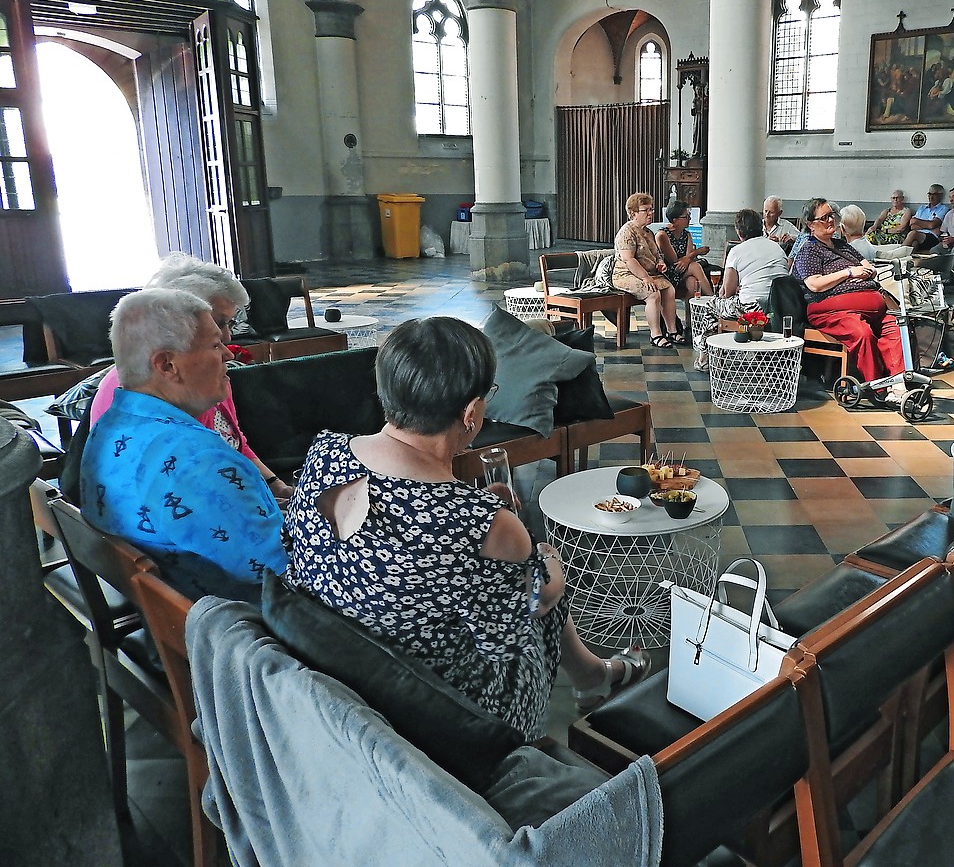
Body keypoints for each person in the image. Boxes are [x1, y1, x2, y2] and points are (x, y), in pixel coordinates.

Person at [282, 317, 649, 739]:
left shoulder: (325, 452)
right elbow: (542, 597)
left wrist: (486, 523)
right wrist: (545, 555)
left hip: (346, 667)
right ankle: (594, 678)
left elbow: (405, 533)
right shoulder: (476, 521)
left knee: (510, 573)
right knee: (538, 575)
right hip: (448, 710)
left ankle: (592, 678)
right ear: (471, 412)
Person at [80, 288, 289, 601]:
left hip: (170, 599)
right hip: (237, 619)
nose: (229, 354)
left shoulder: (113, 422)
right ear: (167, 365)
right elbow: (278, 567)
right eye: (215, 344)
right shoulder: (196, 460)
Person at [89, 252, 292, 502]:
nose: (227, 339)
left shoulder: (200, 378)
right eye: (217, 323)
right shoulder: (150, 394)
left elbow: (234, 440)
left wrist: (275, 485)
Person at [791, 198, 905, 395]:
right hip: (829, 309)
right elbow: (814, 284)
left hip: (868, 305)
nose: (830, 221)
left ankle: (899, 384)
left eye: (832, 216)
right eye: (823, 218)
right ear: (810, 224)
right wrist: (849, 273)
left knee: (895, 327)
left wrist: (864, 272)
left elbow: (869, 268)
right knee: (863, 333)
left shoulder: (843, 246)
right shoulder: (809, 250)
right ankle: (878, 387)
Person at [691, 208, 789, 369]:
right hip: (779, 306)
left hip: (751, 309)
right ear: (761, 226)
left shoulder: (736, 251)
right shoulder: (777, 247)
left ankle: (704, 358)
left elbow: (726, 292)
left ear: (739, 231)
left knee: (711, 306)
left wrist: (732, 289)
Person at [611, 192, 683, 347]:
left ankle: (672, 331)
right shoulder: (627, 232)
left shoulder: (649, 232)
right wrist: (645, 278)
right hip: (626, 274)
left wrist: (660, 263)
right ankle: (656, 334)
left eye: (651, 209)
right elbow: (629, 260)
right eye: (646, 210)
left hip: (648, 273)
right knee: (653, 293)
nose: (651, 213)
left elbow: (656, 254)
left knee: (669, 289)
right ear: (633, 213)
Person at [656, 200, 713, 299]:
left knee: (692, 283)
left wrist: (689, 257)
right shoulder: (663, 235)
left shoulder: (686, 234)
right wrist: (697, 252)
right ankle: (712, 298)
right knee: (695, 266)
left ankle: (690, 313)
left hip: (684, 270)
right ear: (675, 220)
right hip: (669, 271)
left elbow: (687, 259)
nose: (689, 219)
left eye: (689, 215)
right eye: (686, 217)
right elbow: (674, 261)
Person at [903, 184, 948, 251]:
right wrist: (928, 226)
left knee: (913, 234)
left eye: (934, 194)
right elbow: (912, 225)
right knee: (914, 243)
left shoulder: (943, 209)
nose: (931, 197)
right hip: (919, 236)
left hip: (932, 238)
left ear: (940, 195)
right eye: (929, 194)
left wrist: (917, 221)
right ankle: (905, 259)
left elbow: (932, 224)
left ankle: (897, 254)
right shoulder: (922, 208)